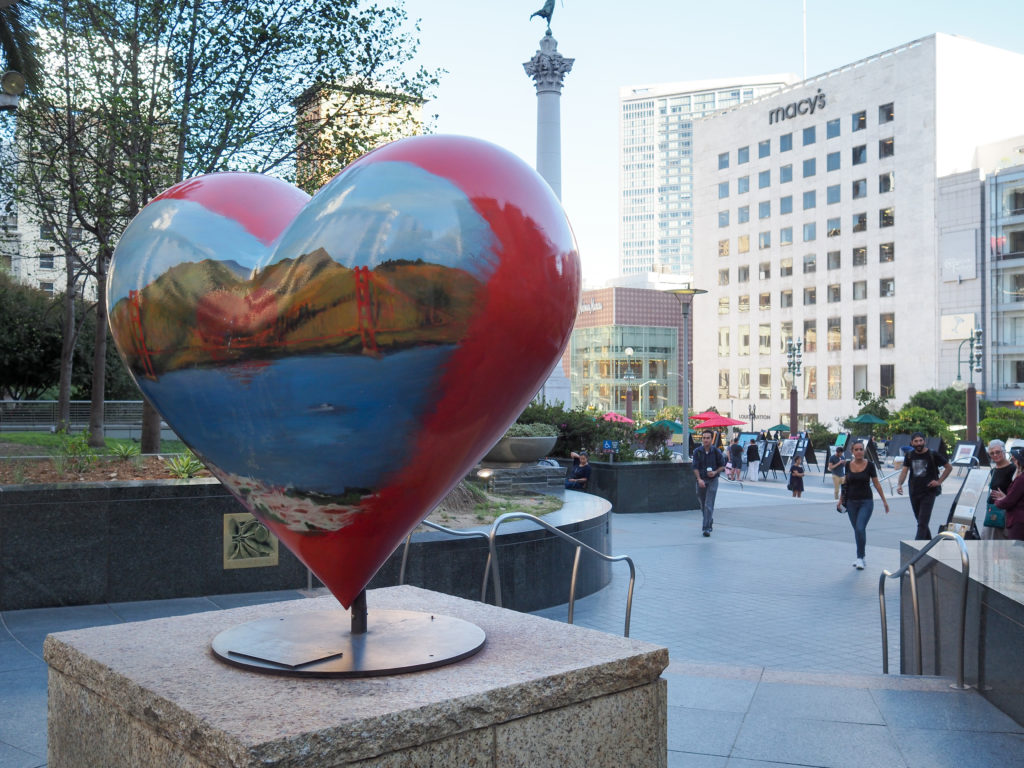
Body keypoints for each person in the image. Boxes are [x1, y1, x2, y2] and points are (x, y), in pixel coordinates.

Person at [838, 441, 890, 569]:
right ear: (852, 451)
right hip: (851, 502)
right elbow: (845, 483)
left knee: (860, 528)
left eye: (861, 449)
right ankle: (861, 556)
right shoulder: (848, 465)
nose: (859, 451)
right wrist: (840, 499)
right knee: (857, 530)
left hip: (866, 501)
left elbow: (877, 484)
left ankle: (860, 558)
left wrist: (884, 501)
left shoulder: (870, 465)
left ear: (864, 451)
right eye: (856, 449)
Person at [895, 432, 952, 539]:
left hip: (929, 492)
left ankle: (917, 550)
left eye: (921, 440)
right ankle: (929, 545)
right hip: (914, 492)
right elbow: (904, 471)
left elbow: (949, 467)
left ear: (924, 441)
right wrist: (899, 484)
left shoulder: (932, 454)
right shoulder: (909, 455)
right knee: (921, 521)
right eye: (916, 441)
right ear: (912, 443)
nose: (919, 443)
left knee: (922, 523)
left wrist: (939, 481)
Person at [692, 429, 725, 537]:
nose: (705, 440)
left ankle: (706, 528)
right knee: (702, 504)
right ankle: (709, 519)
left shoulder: (716, 452)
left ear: (711, 439)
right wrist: (699, 479)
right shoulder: (697, 451)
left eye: (707, 438)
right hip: (701, 480)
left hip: (713, 480)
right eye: (704, 438)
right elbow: (695, 467)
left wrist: (715, 472)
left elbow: (722, 466)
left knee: (708, 504)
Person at [982, 440, 1014, 540]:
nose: (995, 455)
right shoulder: (994, 470)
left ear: (1004, 451)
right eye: (992, 453)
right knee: (987, 540)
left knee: (1000, 545)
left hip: (1004, 512)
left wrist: (1006, 498)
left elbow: (1018, 492)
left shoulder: (1013, 469)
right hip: (992, 509)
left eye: (998, 452)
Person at [991, 447, 1024, 540]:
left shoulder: (1021, 479)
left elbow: (1009, 502)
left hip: (1019, 522)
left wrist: (998, 501)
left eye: (1015, 459)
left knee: (1016, 551)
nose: (1013, 461)